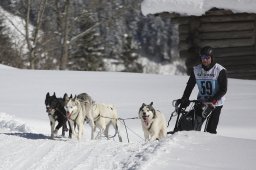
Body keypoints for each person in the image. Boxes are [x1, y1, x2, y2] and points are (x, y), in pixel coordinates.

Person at [179, 46, 228, 134]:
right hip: (201, 102)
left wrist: (213, 100)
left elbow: (223, 89)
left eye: (207, 58)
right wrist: (185, 98)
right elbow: (190, 86)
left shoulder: (220, 70)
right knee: (193, 126)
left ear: (212, 58)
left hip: (215, 104)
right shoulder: (196, 70)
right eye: (202, 58)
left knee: (210, 130)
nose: (204, 60)